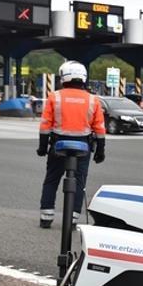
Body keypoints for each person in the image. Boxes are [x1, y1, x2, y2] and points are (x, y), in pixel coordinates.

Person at [37, 60, 106, 228]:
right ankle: (73, 220)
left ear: (64, 78)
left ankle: (46, 217)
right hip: (83, 146)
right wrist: (100, 151)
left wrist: (42, 147)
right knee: (79, 182)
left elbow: (45, 125)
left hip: (58, 144)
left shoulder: (55, 96)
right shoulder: (93, 99)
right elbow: (99, 128)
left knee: (52, 180)